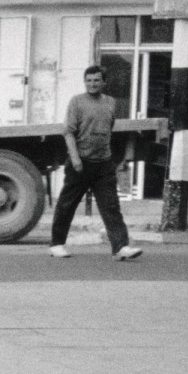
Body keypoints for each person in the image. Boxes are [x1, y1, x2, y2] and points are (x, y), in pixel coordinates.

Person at [49, 65, 143, 260]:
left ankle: (120, 247)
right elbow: (68, 132)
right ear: (85, 82)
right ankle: (57, 244)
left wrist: (112, 160)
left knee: (111, 206)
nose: (92, 84)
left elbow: (109, 129)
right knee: (67, 205)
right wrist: (75, 159)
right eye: (89, 80)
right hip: (80, 163)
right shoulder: (77, 102)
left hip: (103, 164)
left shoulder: (110, 102)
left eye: (96, 80)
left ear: (103, 83)